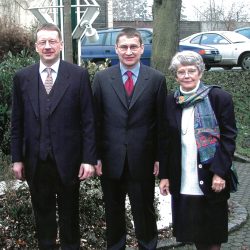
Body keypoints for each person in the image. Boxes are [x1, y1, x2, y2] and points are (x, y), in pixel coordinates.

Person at [11, 23, 97, 250]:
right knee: (43, 220)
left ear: (60, 44)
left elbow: (88, 121)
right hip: (36, 162)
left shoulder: (78, 75)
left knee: (70, 218)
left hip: (69, 162)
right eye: (43, 42)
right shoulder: (22, 78)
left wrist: (88, 159)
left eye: (52, 41)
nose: (48, 46)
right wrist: (17, 158)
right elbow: (17, 122)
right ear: (36, 46)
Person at [93, 27, 167, 250]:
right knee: (113, 214)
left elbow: (162, 124)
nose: (128, 51)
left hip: (142, 160)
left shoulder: (156, 79)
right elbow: (95, 121)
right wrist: (94, 156)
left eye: (133, 46)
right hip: (110, 160)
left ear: (142, 48)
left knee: (144, 213)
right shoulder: (102, 78)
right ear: (116, 49)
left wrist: (159, 159)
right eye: (123, 47)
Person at [159, 51, 237, 250]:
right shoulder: (171, 101)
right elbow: (166, 141)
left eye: (191, 71)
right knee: (195, 234)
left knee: (212, 235)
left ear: (200, 72)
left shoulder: (218, 97)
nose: (186, 75)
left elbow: (228, 138)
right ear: (176, 76)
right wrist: (165, 176)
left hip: (212, 175)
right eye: (181, 72)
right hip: (184, 178)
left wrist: (220, 172)